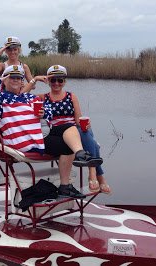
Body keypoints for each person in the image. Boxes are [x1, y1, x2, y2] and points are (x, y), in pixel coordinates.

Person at [0, 65, 103, 199]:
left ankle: (81, 154)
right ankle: (65, 187)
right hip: (26, 141)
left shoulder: (29, 98)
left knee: (69, 126)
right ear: (5, 80)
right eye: (12, 77)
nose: (16, 80)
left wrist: (44, 113)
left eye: (19, 77)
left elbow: (49, 111)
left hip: (39, 135)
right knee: (67, 147)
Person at [28, 65, 111, 194]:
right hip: (57, 134)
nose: (56, 83)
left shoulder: (71, 96)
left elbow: (78, 120)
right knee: (92, 142)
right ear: (48, 81)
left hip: (74, 133)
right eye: (53, 80)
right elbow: (21, 95)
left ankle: (93, 172)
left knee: (84, 131)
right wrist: (35, 79)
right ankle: (96, 175)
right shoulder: (42, 98)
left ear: (64, 82)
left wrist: (86, 125)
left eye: (60, 80)